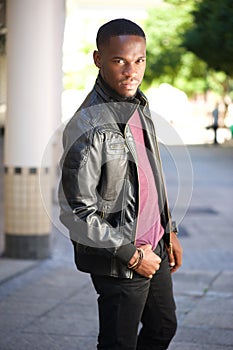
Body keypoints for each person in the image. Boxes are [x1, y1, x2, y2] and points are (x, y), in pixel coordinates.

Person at [59, 18, 183, 350]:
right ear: (99, 59)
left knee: (163, 327)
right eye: (120, 61)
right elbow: (77, 212)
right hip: (123, 259)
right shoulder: (87, 126)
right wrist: (130, 254)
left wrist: (168, 230)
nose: (132, 70)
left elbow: (151, 176)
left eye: (139, 60)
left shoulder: (139, 105)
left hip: (155, 246)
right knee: (118, 344)